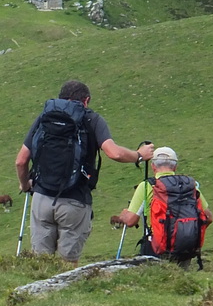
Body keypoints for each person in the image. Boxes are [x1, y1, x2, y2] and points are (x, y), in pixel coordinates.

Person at [15, 80, 154, 263]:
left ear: (61, 97)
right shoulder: (92, 119)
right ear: (86, 100)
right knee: (68, 264)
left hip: (41, 198)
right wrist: (139, 155)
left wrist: (25, 185)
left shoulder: (45, 117)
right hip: (75, 201)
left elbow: (21, 161)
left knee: (40, 262)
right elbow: (114, 153)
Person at [116, 146, 213, 260]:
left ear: (153, 166)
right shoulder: (190, 185)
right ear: (175, 166)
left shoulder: (148, 186)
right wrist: (189, 234)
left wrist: (123, 216)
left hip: (156, 248)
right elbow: (208, 217)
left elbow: (130, 221)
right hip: (186, 249)